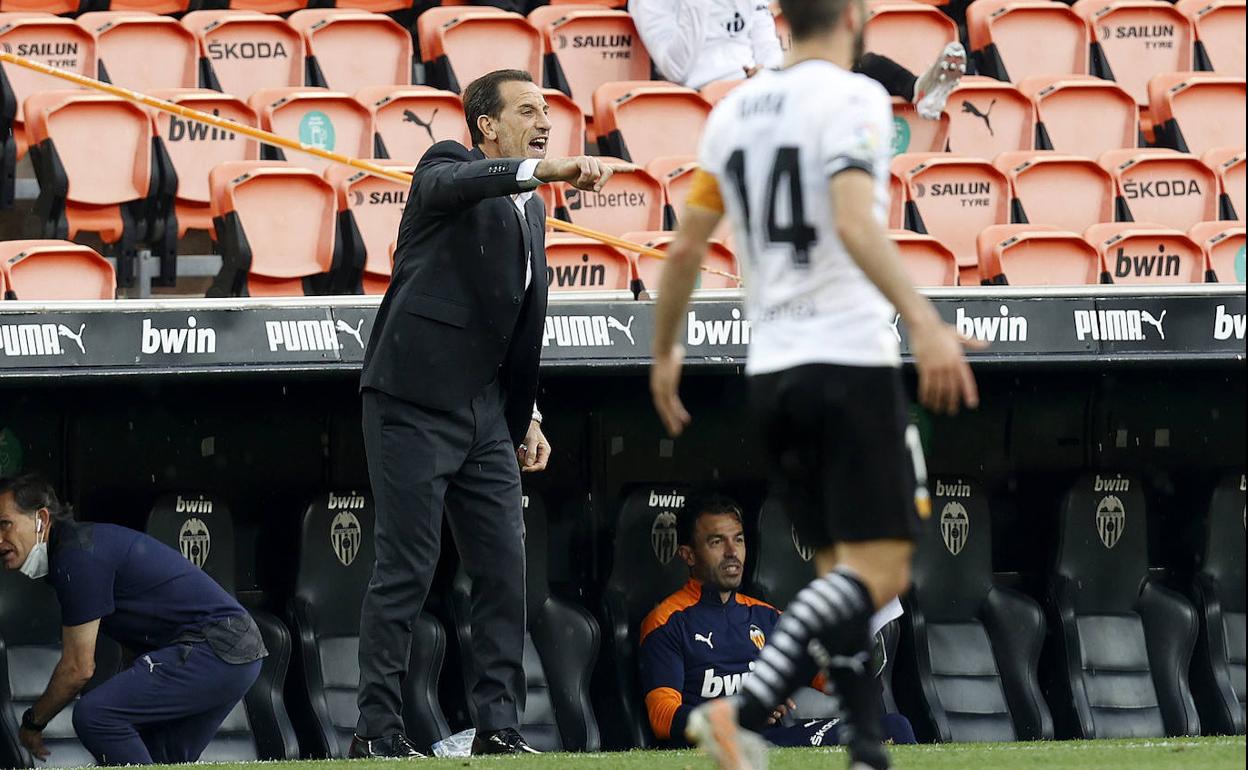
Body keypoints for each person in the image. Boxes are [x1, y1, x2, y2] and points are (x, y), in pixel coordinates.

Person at [647, 0, 983, 766]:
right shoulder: (853, 95)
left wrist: (665, 352)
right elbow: (853, 221)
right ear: (858, 16)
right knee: (884, 569)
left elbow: (687, 246)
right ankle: (745, 710)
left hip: (773, 371)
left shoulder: (733, 113)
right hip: (849, 359)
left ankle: (867, 745)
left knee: (839, 571)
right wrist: (924, 323)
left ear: (780, 19)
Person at [354, 69, 631, 758]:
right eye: (527, 110)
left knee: (508, 572)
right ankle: (376, 732)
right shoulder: (445, 165)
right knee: (407, 568)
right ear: (487, 125)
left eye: (547, 110)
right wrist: (541, 168)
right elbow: (457, 187)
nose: (544, 119)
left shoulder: (532, 208)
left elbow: (521, 318)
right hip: (413, 402)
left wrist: (525, 414)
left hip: (484, 412)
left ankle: (499, 728)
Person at [0, 473, 266, 766]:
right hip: (238, 653)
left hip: (218, 647)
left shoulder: (76, 557)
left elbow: (78, 669)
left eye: (5, 525)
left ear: (41, 520)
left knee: (96, 716)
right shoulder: (76, 548)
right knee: (160, 755)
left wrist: (33, 723)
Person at [638, 492, 915, 751]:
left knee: (893, 727)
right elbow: (662, 718)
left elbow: (827, 677)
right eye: (716, 542)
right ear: (688, 554)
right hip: (718, 750)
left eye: (739, 539)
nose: (732, 552)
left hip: (773, 741)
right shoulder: (666, 622)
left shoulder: (767, 616)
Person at [630, 0, 966, 119]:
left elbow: (764, 38)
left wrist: (772, 69)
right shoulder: (648, 2)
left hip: (758, 78)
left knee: (862, 63)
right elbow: (676, 68)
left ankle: (920, 90)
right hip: (708, 90)